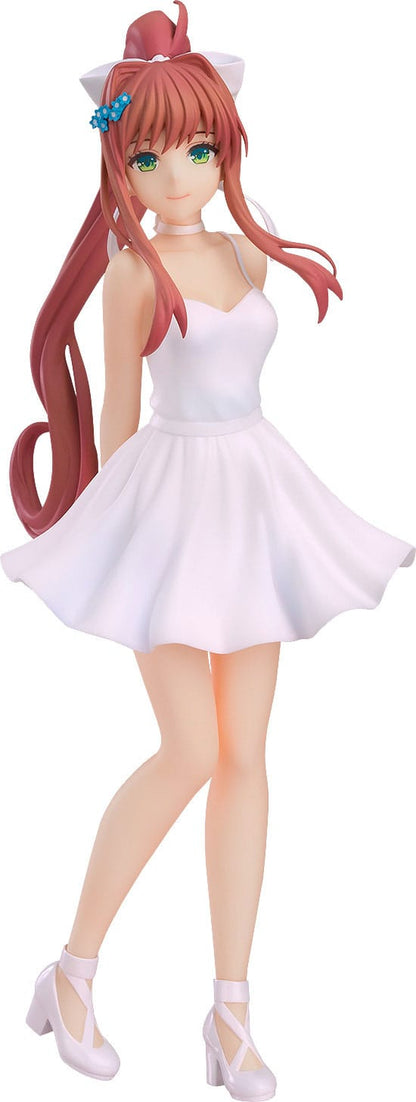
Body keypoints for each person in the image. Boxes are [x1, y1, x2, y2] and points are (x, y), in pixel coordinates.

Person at [1, 2, 414, 1097]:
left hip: (254, 499)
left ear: (224, 144)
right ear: (119, 165)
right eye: (149, 156)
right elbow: (121, 417)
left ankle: (231, 1013)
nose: (177, 175)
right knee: (188, 749)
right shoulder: (133, 273)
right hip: (169, 510)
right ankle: (71, 969)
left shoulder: (244, 251)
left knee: (245, 758)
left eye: (195, 148)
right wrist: (109, 543)